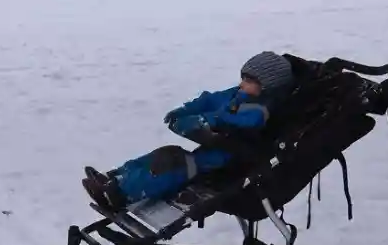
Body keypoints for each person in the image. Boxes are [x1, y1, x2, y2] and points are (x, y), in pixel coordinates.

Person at [82, 51, 296, 209]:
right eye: (243, 78)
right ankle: (114, 178)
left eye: (249, 81)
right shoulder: (239, 95)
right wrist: (186, 110)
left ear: (267, 86)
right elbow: (211, 99)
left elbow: (231, 122)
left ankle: (119, 193)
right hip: (207, 153)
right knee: (166, 153)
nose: (242, 84)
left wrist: (207, 121)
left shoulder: (259, 110)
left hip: (220, 164)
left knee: (172, 165)